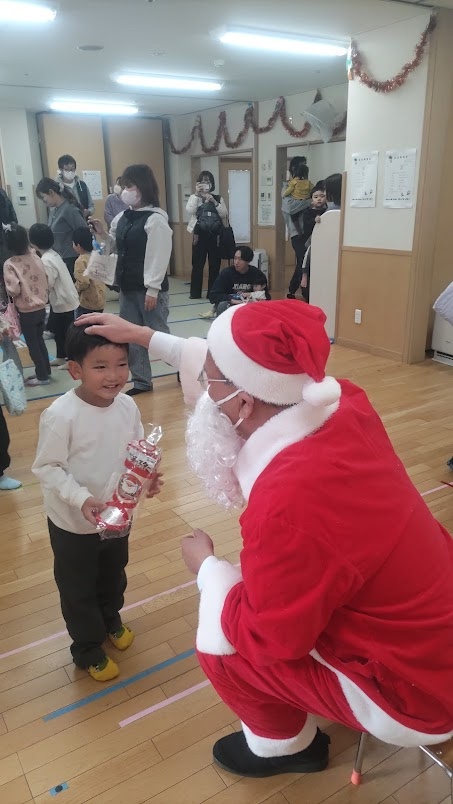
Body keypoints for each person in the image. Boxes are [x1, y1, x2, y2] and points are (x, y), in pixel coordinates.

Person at [77, 302, 453, 778]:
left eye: (207, 385)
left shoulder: (286, 503)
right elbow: (225, 364)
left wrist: (209, 571)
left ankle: (286, 749)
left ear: (244, 403)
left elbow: (271, 639)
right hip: (434, 635)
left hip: (418, 694)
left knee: (221, 637)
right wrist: (144, 336)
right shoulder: (342, 403)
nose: (200, 394)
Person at [32, 323, 162, 681]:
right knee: (78, 587)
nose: (114, 375)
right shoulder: (61, 415)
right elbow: (47, 467)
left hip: (118, 516)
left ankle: (111, 620)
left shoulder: (126, 406)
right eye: (100, 366)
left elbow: (135, 453)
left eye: (121, 364)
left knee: (112, 574)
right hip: (74, 523)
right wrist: (81, 498)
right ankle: (87, 647)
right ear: (76, 370)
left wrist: (147, 477)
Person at [90, 163, 172, 397]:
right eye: (123, 186)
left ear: (143, 188)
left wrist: (153, 289)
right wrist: (101, 233)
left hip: (149, 289)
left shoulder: (156, 219)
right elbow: (114, 245)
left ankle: (183, 366)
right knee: (130, 335)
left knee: (158, 334)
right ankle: (142, 380)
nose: (124, 190)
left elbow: (159, 256)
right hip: (127, 286)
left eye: (129, 185)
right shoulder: (122, 217)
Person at [3, 224, 50, 387]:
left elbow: (14, 290)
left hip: (26, 310)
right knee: (40, 340)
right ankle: (45, 371)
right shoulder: (35, 256)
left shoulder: (10, 264)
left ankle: (42, 376)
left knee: (32, 344)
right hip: (41, 306)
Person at [29, 224, 79, 368]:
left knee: (65, 332)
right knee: (58, 331)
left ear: (33, 242)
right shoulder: (52, 254)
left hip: (64, 301)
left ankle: (71, 360)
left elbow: (48, 283)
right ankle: (61, 356)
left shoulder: (46, 260)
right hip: (61, 300)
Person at [186, 171, 228, 300]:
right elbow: (190, 210)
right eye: (203, 181)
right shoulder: (195, 197)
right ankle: (195, 293)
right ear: (198, 184)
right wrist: (197, 195)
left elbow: (224, 214)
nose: (205, 184)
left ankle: (212, 292)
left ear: (212, 184)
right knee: (197, 264)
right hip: (199, 235)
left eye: (208, 181)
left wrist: (214, 202)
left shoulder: (218, 197)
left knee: (214, 264)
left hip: (215, 236)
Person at [36, 178, 88, 278]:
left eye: (43, 197)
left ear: (51, 192)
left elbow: (84, 233)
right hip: (60, 257)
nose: (44, 201)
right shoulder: (54, 211)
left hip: (72, 259)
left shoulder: (70, 210)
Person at [282, 157, 312, 299]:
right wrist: (308, 201)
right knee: (302, 260)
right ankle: (302, 291)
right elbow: (291, 208)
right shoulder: (288, 186)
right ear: (293, 169)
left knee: (304, 260)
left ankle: (293, 290)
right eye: (300, 166)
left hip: (309, 231)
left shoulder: (307, 186)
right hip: (296, 233)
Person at [208, 246, 269, 317]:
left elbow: (266, 296)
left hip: (250, 305)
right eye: (235, 258)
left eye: (240, 259)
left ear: (248, 260)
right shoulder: (226, 273)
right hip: (231, 305)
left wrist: (253, 299)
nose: (236, 262)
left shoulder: (257, 274)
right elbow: (213, 296)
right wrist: (231, 299)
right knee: (222, 305)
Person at [299, 184, 328, 303]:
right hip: (310, 244)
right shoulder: (308, 212)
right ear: (312, 199)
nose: (319, 199)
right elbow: (307, 227)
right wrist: (315, 221)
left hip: (324, 246)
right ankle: (305, 288)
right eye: (316, 197)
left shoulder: (328, 211)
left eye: (322, 196)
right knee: (307, 266)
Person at [72, 227, 106, 317]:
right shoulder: (96, 256)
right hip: (100, 300)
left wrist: (74, 289)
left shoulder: (80, 261)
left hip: (87, 303)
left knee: (84, 327)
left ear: (78, 246)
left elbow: (83, 282)